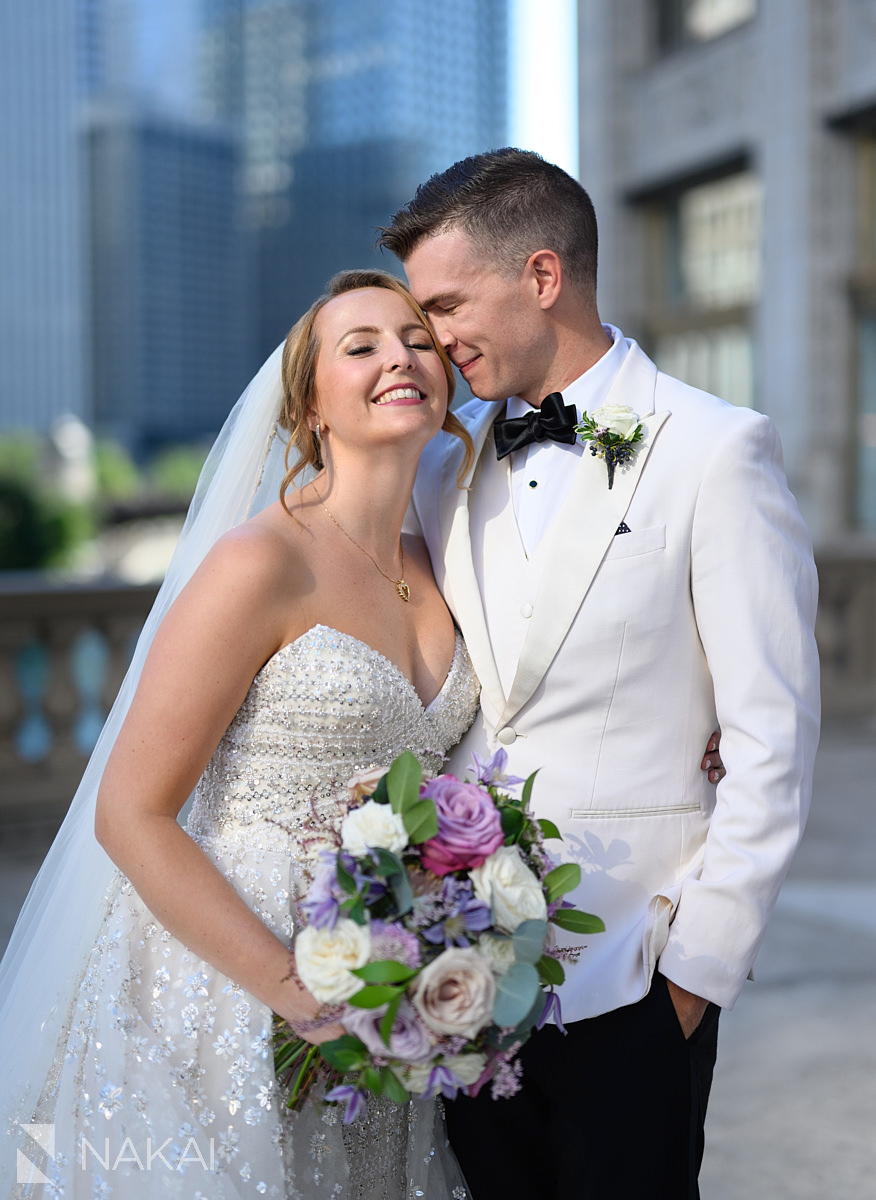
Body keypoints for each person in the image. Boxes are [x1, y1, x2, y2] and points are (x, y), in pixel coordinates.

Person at [379, 148, 821, 1199]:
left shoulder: (717, 451)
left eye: (446, 304)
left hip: (635, 977)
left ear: (542, 276)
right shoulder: (438, 469)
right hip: (465, 979)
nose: (432, 341)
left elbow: (775, 738)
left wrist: (695, 978)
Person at [0, 270, 481, 1199]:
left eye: (417, 340)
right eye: (362, 346)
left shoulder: (447, 560)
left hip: (385, 975)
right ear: (309, 404)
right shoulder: (260, 561)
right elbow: (131, 813)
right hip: (226, 976)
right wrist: (299, 997)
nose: (400, 358)